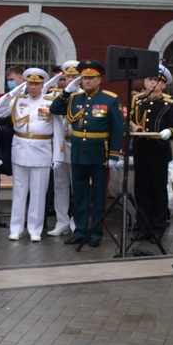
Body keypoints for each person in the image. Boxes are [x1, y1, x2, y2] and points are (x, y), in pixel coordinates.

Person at [49, 59, 124, 247]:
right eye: (84, 78)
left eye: (91, 78)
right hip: (79, 153)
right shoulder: (74, 98)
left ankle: (96, 233)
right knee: (80, 195)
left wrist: (114, 155)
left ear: (99, 80)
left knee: (99, 195)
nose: (87, 81)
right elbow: (54, 109)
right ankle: (80, 231)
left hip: (100, 154)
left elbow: (117, 129)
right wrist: (67, 91)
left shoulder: (110, 98)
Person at [0, 68, 58, 241]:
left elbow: (58, 129)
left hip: (41, 150)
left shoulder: (50, 101)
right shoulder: (18, 100)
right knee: (19, 191)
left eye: (37, 84)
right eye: (31, 84)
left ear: (42, 85)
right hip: (21, 149)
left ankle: (35, 230)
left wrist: (57, 154)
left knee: (38, 193)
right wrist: (12, 93)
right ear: (26, 84)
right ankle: (15, 228)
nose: (34, 87)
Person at [129, 65, 173, 242]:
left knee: (158, 191)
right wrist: (133, 126)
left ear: (163, 85)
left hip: (158, 151)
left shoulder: (169, 103)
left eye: (156, 80)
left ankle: (158, 228)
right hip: (141, 149)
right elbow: (130, 119)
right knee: (142, 191)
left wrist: (169, 131)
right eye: (149, 79)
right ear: (144, 82)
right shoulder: (138, 101)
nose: (152, 83)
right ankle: (144, 227)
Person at [47, 61, 80, 237]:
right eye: (68, 77)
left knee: (77, 187)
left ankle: (76, 222)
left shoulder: (84, 96)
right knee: (60, 186)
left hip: (77, 146)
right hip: (60, 146)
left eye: (75, 77)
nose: (70, 80)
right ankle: (62, 222)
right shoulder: (58, 96)